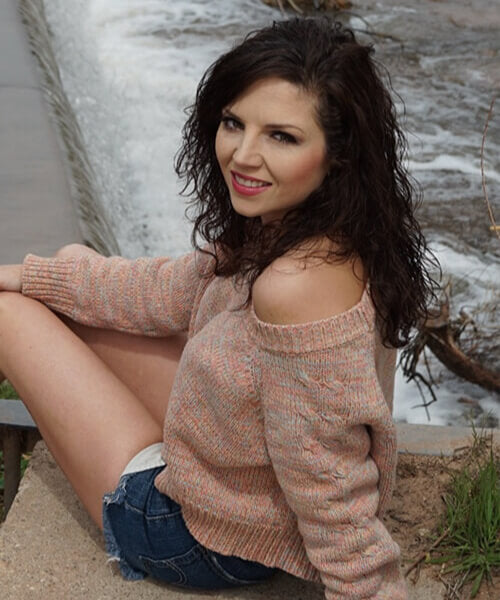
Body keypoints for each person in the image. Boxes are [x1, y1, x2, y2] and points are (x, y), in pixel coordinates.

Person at [0, 16, 437, 599]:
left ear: (337, 154)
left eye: (282, 136)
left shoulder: (295, 288)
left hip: (197, 539)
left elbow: (331, 484)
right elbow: (170, 291)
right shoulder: (323, 227)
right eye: (234, 123)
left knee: (9, 316)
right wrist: (28, 273)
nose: (243, 155)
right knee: (67, 268)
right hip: (248, 484)